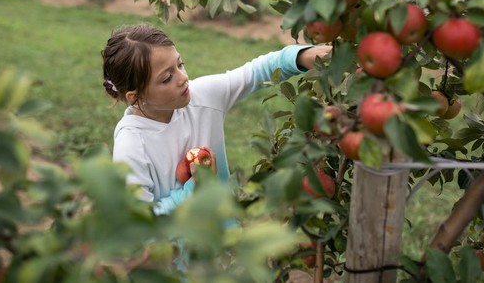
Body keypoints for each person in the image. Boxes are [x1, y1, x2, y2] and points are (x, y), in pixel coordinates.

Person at [101, 24, 331, 215]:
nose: (183, 79)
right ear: (136, 97)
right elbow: (141, 222)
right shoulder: (132, 144)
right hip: (176, 263)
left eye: (180, 65)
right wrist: (193, 189)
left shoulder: (202, 97)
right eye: (167, 78)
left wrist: (304, 56)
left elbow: (260, 70)